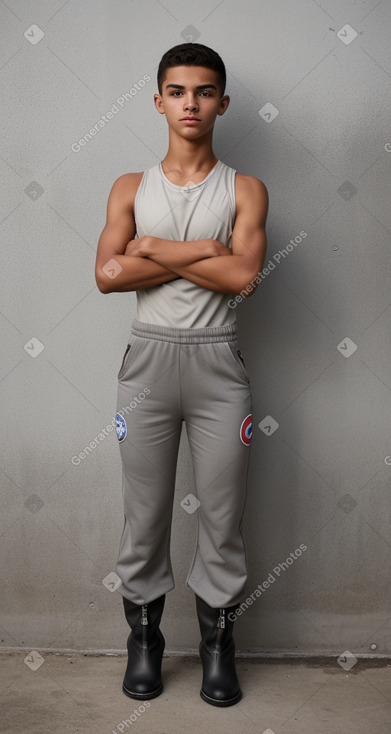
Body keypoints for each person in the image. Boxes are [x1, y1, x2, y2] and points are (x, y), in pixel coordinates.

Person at [95, 42, 268, 707]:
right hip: (147, 364)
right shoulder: (129, 188)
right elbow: (108, 276)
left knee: (222, 518)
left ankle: (218, 648)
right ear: (159, 100)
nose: (189, 103)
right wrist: (204, 253)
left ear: (221, 102)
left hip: (218, 364)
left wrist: (160, 250)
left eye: (202, 92)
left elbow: (244, 277)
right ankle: (145, 642)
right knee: (144, 516)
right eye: (176, 90)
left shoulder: (246, 189)